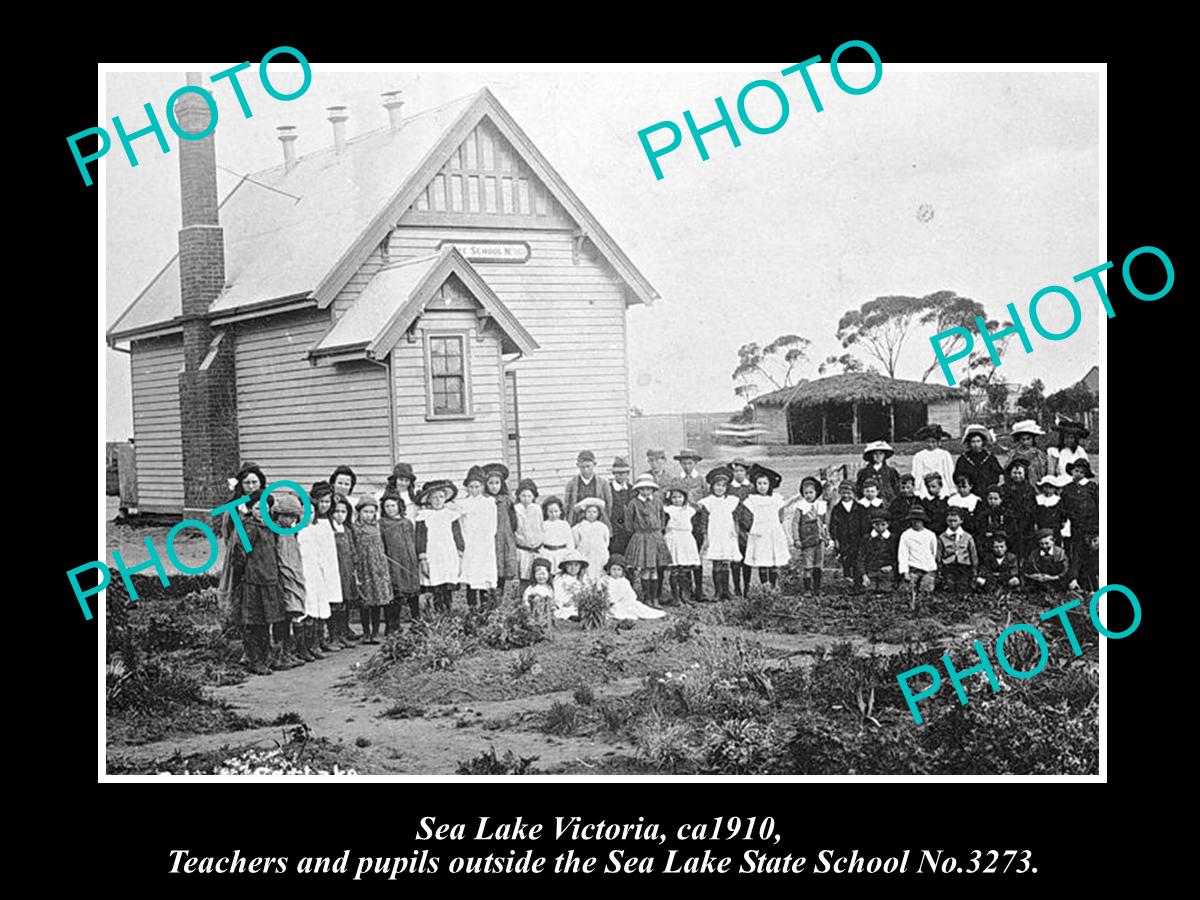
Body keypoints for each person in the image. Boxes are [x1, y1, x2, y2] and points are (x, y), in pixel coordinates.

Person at [232, 491, 286, 675]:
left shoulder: (271, 528)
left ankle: (266, 658)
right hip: (253, 582)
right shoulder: (249, 528)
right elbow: (240, 554)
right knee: (253, 622)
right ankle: (254, 660)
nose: (261, 511)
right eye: (257, 508)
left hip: (270, 580)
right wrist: (241, 575)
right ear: (251, 509)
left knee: (266, 622)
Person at [217, 461, 266, 635]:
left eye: (255, 482)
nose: (251, 487)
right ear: (241, 485)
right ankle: (240, 633)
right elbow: (227, 532)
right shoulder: (235, 507)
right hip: (239, 553)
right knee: (239, 592)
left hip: (262, 555)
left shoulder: (265, 504)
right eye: (247, 483)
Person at [298, 482, 340, 654]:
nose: (324, 506)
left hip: (322, 569)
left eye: (327, 502)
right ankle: (308, 645)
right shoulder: (301, 529)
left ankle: (319, 640)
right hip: (307, 571)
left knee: (322, 604)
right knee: (309, 606)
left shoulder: (322, 525)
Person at [274, 491, 314, 662]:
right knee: (281, 616)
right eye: (286, 516)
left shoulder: (291, 532)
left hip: (293, 575)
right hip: (280, 577)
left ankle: (289, 651)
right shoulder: (275, 532)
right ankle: (280, 652)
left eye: (293, 517)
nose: (289, 520)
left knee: (292, 613)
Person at [415, 479, 464, 614]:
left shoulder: (451, 515)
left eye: (441, 497)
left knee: (447, 586)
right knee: (435, 586)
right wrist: (423, 558)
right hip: (433, 555)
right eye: (434, 497)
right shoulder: (424, 516)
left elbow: (458, 536)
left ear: (445, 499)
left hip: (448, 554)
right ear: (429, 500)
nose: (437, 500)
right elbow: (420, 538)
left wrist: (460, 556)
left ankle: (447, 613)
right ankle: (436, 614)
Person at [624, 473, 672, 605]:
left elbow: (662, 517)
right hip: (641, 536)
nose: (646, 491)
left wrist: (658, 530)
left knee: (654, 569)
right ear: (638, 490)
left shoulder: (657, 501)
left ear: (653, 489)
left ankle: (655, 597)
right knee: (645, 568)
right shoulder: (633, 503)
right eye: (643, 489)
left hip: (655, 536)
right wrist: (639, 532)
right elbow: (628, 522)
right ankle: (647, 598)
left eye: (649, 488)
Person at [697, 466, 743, 601]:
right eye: (717, 485)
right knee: (717, 562)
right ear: (712, 487)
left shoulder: (731, 501)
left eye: (723, 486)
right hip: (715, 534)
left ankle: (726, 591)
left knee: (725, 562)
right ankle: (718, 591)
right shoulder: (708, 502)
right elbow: (704, 522)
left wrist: (736, 531)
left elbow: (735, 518)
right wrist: (705, 538)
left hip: (727, 534)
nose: (720, 488)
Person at [742, 463, 791, 588]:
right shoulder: (752, 499)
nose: (762, 487)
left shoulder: (776, 499)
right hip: (759, 532)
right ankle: (765, 587)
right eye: (759, 484)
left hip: (773, 532)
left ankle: (773, 586)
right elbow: (746, 517)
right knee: (762, 559)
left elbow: (781, 516)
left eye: (765, 483)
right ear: (755, 485)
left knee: (773, 561)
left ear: (770, 485)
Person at [352, 495, 391, 644]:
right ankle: (366, 632)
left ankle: (375, 632)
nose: (369, 515)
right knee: (365, 602)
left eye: (371, 512)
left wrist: (382, 567)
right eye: (365, 512)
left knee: (376, 601)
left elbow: (381, 547)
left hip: (377, 568)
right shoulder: (355, 528)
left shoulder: (377, 527)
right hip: (363, 567)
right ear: (359, 513)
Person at [458, 466, 498, 609]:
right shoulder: (462, 504)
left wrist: (486, 541)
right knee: (471, 575)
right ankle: (472, 608)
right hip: (469, 543)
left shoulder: (489, 503)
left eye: (477, 486)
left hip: (484, 543)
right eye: (471, 487)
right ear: (467, 488)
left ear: (482, 487)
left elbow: (493, 526)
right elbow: (461, 524)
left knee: (484, 575)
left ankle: (485, 608)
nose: (474, 490)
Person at [380, 491, 421, 627]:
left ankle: (417, 623)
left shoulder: (407, 522)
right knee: (395, 595)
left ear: (399, 506)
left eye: (393, 505)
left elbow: (412, 541)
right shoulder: (382, 523)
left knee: (413, 595)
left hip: (409, 562)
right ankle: (392, 626)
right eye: (387, 506)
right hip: (393, 561)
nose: (390, 509)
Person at [1062, 459, 1100, 592]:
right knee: (1075, 552)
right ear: (1072, 472)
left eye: (1082, 472)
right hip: (1075, 526)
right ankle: (1074, 581)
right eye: (1076, 471)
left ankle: (1091, 585)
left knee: (1091, 553)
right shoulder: (1067, 488)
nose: (1078, 474)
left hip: (1091, 526)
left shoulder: (1092, 487)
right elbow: (1063, 507)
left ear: (1086, 474)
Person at [484, 462, 520, 600]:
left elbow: (513, 521)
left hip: (504, 538)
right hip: (490, 539)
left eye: (497, 483)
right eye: (491, 483)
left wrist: (508, 534)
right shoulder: (485, 501)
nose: (494, 486)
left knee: (502, 568)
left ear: (501, 484)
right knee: (491, 566)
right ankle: (489, 597)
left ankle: (499, 595)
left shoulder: (506, 501)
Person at [662, 482, 701, 603]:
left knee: (685, 569)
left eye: (680, 497)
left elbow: (695, 524)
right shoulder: (667, 510)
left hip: (686, 540)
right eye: (674, 497)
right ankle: (675, 597)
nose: (677, 500)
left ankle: (685, 595)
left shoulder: (690, 510)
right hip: (673, 539)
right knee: (674, 569)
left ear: (684, 497)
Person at [329, 494, 361, 640]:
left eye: (343, 512)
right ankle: (334, 633)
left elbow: (353, 550)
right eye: (336, 511)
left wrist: (355, 565)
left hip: (347, 570)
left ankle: (344, 629)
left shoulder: (347, 529)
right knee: (336, 602)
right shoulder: (330, 529)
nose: (339, 515)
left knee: (347, 601)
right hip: (335, 570)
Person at [790, 475, 828, 594]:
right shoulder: (800, 507)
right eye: (806, 492)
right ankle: (807, 589)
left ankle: (817, 588)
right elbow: (795, 523)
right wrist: (796, 539)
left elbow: (825, 523)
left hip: (819, 539)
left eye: (811, 492)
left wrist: (827, 537)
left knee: (818, 565)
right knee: (808, 565)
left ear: (816, 493)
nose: (808, 495)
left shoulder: (821, 505)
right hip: (807, 540)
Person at [603, 555, 666, 620]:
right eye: (614, 569)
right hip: (612, 604)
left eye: (619, 570)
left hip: (624, 602)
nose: (616, 572)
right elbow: (606, 593)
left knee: (636, 607)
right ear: (609, 570)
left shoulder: (624, 581)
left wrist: (627, 600)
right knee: (617, 610)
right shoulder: (606, 580)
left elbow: (630, 594)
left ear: (622, 571)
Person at [830, 480, 865, 591]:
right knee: (846, 560)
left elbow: (863, 524)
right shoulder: (837, 509)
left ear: (853, 494)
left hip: (857, 539)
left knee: (857, 559)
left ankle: (858, 583)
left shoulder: (859, 508)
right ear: (840, 493)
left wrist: (863, 537)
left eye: (849, 493)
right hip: (843, 539)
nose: (846, 495)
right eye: (843, 493)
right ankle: (848, 581)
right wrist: (835, 539)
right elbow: (833, 525)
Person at [727, 457, 755, 597]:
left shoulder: (751, 488)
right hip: (732, 527)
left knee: (747, 558)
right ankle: (737, 587)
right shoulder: (729, 488)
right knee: (735, 558)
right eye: (736, 471)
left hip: (747, 526)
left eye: (741, 470)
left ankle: (747, 587)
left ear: (746, 472)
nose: (738, 473)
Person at [898, 506, 938, 599]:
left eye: (918, 520)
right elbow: (903, 554)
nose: (916, 523)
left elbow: (933, 552)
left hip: (928, 568)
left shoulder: (930, 535)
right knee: (907, 592)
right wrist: (905, 572)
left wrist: (931, 567)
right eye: (913, 520)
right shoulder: (906, 535)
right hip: (913, 568)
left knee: (926, 591)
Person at [1001, 458, 1037, 561]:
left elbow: (1033, 507)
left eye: (1020, 473)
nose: (1017, 476)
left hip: (1026, 525)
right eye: (1015, 473)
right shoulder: (1004, 488)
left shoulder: (1029, 489)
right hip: (1009, 524)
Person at [564, 450, 613, 526]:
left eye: (588, 466)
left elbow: (609, 505)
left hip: (598, 523)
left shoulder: (603, 483)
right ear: (578, 465)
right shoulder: (571, 484)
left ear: (594, 465)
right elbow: (567, 506)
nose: (585, 470)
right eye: (582, 467)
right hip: (578, 523)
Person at [954, 425, 1003, 499]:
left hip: (987, 493)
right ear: (969, 443)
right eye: (973, 442)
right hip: (969, 493)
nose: (976, 445)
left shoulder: (990, 458)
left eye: (978, 441)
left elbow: (996, 476)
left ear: (983, 442)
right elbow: (957, 476)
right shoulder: (963, 459)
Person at [514, 479, 545, 591]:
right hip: (523, 548)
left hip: (536, 547)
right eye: (523, 496)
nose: (526, 499)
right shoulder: (516, 509)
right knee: (524, 576)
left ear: (533, 497)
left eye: (529, 496)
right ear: (519, 496)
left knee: (538, 574)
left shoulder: (537, 509)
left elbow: (541, 526)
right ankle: (523, 598)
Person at [938, 508, 978, 594]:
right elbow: (939, 555)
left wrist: (974, 570)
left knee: (963, 587)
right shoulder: (942, 537)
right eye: (950, 521)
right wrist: (940, 570)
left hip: (964, 567)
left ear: (961, 521)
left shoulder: (967, 537)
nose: (952, 523)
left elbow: (973, 554)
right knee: (949, 587)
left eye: (955, 520)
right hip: (949, 567)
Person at [911, 425, 955, 500]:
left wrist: (952, 488)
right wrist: (916, 489)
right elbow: (917, 474)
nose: (930, 444)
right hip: (925, 485)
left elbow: (949, 472)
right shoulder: (919, 456)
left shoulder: (944, 454)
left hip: (941, 485)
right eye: (928, 442)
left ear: (938, 442)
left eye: (933, 442)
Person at [572, 498, 612, 576]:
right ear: (584, 513)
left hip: (599, 554)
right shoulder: (578, 527)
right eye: (589, 512)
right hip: (584, 553)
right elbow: (576, 542)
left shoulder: (602, 527)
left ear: (598, 514)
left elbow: (606, 541)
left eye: (594, 512)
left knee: (599, 571)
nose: (591, 514)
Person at [1023, 528, 1069, 593]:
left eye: (1047, 543)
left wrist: (1052, 577)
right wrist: (1034, 576)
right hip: (1038, 586)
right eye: (1041, 544)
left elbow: (1066, 572)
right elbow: (1026, 570)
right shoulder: (1034, 554)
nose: (1044, 546)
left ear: (1053, 541)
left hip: (1057, 586)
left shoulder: (1061, 553)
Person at [860, 509, 895, 593]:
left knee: (886, 591)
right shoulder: (867, 538)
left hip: (886, 572)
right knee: (868, 590)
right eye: (876, 525)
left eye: (883, 524)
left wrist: (891, 566)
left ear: (888, 524)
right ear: (872, 524)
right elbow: (860, 558)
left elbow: (898, 557)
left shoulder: (893, 538)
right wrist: (864, 575)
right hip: (871, 571)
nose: (880, 528)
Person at [539, 496, 575, 571]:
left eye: (556, 511)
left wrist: (569, 553)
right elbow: (540, 540)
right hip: (547, 553)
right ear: (546, 512)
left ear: (560, 511)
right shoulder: (544, 524)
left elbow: (570, 541)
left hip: (562, 553)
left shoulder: (564, 524)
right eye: (551, 512)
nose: (554, 514)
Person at [553, 549, 590, 620]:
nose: (573, 568)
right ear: (565, 566)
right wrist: (565, 601)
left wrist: (580, 600)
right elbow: (558, 592)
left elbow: (587, 591)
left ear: (580, 567)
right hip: (566, 603)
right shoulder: (560, 578)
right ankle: (571, 616)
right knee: (565, 610)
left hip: (579, 602)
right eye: (570, 565)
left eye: (576, 565)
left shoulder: (583, 578)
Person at [522, 557, 556, 634]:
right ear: (534, 575)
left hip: (546, 615)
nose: (541, 577)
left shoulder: (549, 588)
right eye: (538, 574)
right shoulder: (531, 588)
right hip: (534, 614)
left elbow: (552, 600)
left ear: (548, 574)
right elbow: (525, 600)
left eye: (543, 574)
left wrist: (552, 607)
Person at [608, 457, 634, 556]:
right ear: (614, 474)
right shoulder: (608, 489)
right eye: (618, 473)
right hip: (615, 532)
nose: (621, 476)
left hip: (629, 532)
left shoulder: (632, 489)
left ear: (628, 474)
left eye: (623, 473)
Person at [1033, 474, 1068, 544]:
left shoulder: (1059, 501)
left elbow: (1063, 517)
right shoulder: (1037, 500)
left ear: (1055, 488)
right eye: (1046, 487)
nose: (1048, 489)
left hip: (1055, 532)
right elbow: (1034, 515)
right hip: (1041, 531)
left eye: (1051, 487)